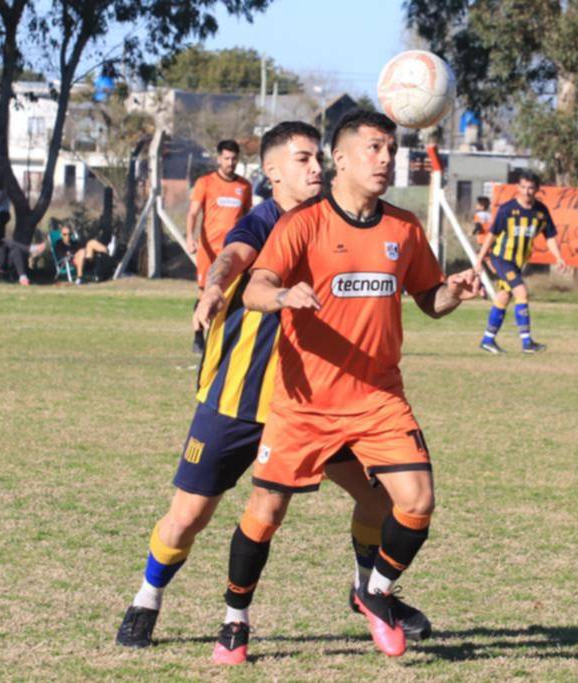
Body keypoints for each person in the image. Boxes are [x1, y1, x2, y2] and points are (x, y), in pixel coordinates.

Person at [114, 122, 434, 651]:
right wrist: (215, 287)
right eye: (304, 160)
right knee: (189, 516)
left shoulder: (338, 221)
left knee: (379, 499)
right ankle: (146, 599)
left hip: (312, 404)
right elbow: (232, 257)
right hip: (237, 400)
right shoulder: (262, 222)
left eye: (318, 159)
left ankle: (369, 592)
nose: (316, 169)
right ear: (273, 172)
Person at [211, 110, 480, 663]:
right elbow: (256, 286)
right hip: (304, 403)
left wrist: (453, 291)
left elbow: (429, 301)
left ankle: (374, 592)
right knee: (267, 511)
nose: (386, 160)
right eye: (374, 149)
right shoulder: (302, 224)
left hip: (378, 399)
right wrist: (283, 297)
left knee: (417, 501)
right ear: (341, 158)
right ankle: (235, 621)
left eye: (391, 150)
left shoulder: (404, 228)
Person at [473, 171, 568, 354]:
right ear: (517, 188)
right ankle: (527, 342)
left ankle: (487, 339)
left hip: (517, 263)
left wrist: (558, 257)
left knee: (503, 297)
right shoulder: (507, 209)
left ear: (537, 189)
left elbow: (550, 236)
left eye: (531, 188)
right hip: (502, 258)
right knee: (521, 292)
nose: (527, 192)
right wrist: (479, 259)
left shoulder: (540, 211)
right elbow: (491, 235)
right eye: (523, 187)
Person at [186, 140, 253, 353]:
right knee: (204, 293)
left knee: (232, 293)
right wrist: (190, 236)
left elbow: (247, 217)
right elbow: (193, 212)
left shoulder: (244, 186)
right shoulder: (205, 183)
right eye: (226, 158)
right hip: (209, 251)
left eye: (233, 159)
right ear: (218, 159)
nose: (230, 162)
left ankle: (225, 337)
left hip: (232, 251)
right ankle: (198, 336)